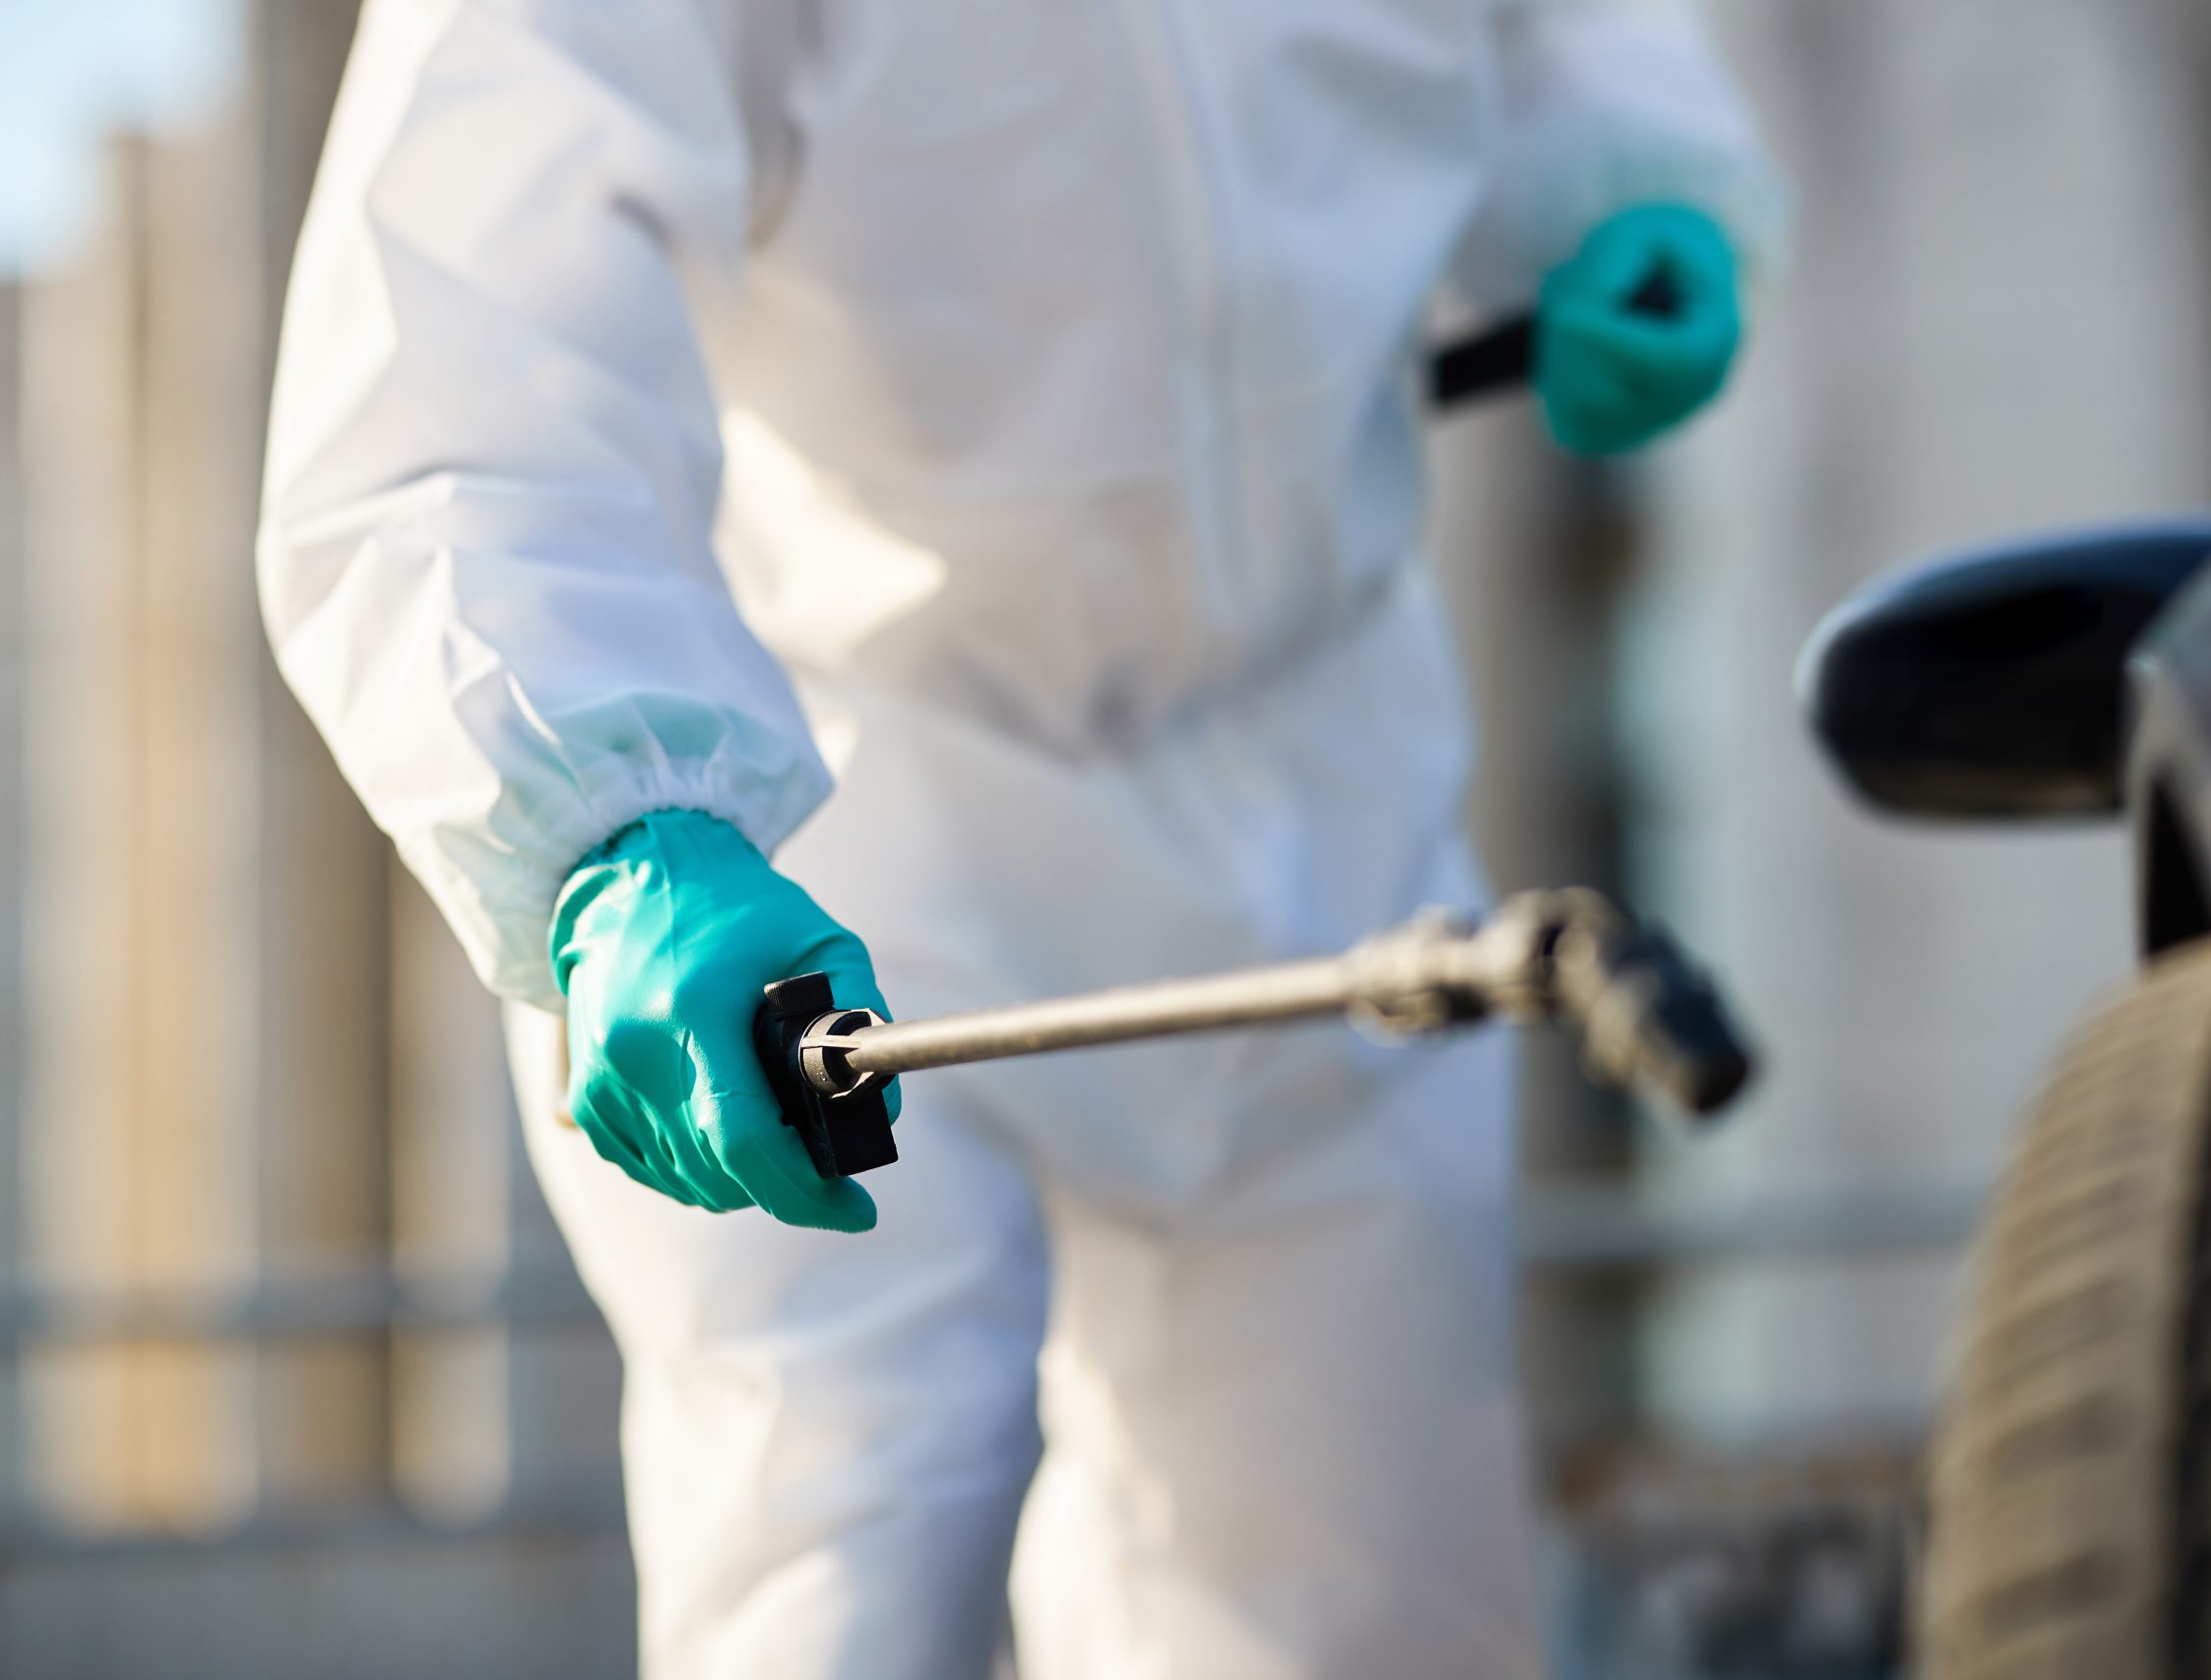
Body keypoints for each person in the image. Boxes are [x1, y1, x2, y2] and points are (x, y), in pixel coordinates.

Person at [258, 2, 1784, 1674]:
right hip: (843, 837)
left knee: (1367, 1610)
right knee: (843, 1572)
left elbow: (1562, 29)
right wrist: (613, 830)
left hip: (1331, 772)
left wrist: (1628, 182)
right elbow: (467, 340)